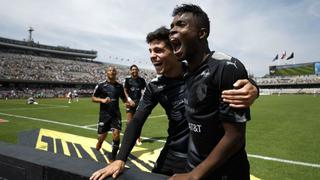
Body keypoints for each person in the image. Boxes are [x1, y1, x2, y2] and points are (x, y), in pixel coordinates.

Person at [90, 27, 258, 180]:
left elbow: (227, 74)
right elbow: (136, 121)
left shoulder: (198, 71)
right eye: (150, 51)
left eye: (158, 50)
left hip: (209, 157)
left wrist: (253, 86)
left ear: (175, 51)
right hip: (174, 153)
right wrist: (120, 159)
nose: (152, 56)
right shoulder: (155, 86)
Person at [169, 4, 251, 179]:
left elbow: (235, 137)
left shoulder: (226, 68)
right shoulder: (186, 71)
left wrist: (194, 175)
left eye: (181, 25)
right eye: (172, 27)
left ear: (201, 33)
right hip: (193, 166)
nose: (172, 31)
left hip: (225, 173)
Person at [92, 66, 128, 162]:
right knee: (102, 136)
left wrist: (128, 103)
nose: (112, 72)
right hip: (104, 115)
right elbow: (93, 98)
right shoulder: (101, 85)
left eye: (113, 71)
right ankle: (100, 142)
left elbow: (124, 99)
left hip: (116, 114)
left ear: (116, 73)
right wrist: (102, 100)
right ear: (106, 73)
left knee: (116, 134)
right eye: (110, 70)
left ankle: (112, 157)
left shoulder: (119, 86)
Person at [124, 65, 146, 145]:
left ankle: (138, 138)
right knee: (129, 122)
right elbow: (125, 91)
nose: (134, 71)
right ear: (130, 71)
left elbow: (145, 90)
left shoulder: (141, 80)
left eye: (136, 69)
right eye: (133, 69)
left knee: (138, 122)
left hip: (139, 103)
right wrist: (129, 100)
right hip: (129, 103)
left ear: (138, 71)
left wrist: (142, 99)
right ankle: (126, 140)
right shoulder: (127, 80)